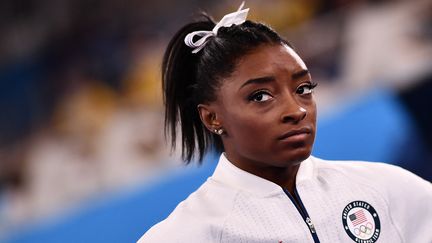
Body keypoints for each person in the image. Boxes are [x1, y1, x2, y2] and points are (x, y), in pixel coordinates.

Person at [138, 3, 432, 243]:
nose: (296, 110)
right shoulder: (188, 234)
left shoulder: (388, 189)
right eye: (260, 96)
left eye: (303, 89)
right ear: (212, 117)